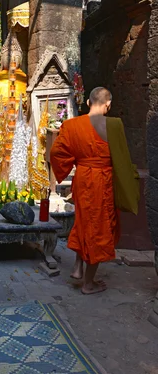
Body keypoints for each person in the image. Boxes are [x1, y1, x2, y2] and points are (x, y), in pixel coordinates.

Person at [50, 87, 138, 295]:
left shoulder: (71, 125)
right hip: (103, 181)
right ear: (108, 105)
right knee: (99, 227)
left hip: (82, 178)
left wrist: (73, 163)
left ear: (88, 103)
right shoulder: (114, 125)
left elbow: (56, 152)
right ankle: (89, 283)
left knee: (83, 220)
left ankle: (78, 267)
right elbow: (122, 158)